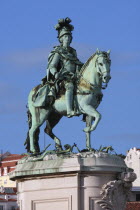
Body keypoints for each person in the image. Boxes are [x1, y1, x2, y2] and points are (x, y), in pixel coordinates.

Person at [47, 17, 83, 117]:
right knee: (70, 86)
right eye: (65, 37)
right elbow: (52, 66)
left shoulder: (73, 52)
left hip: (75, 75)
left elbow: (77, 63)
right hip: (63, 76)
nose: (67, 39)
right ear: (61, 39)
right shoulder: (58, 51)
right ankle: (69, 110)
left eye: (69, 37)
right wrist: (56, 73)